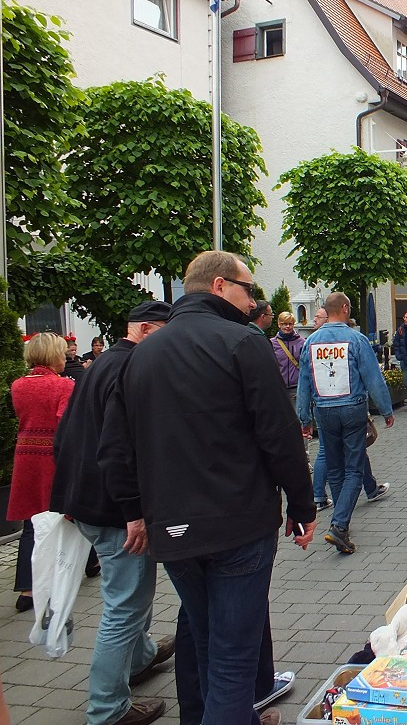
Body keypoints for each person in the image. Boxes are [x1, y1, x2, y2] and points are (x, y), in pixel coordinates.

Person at [98, 251, 316, 725]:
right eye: (248, 289)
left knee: (206, 637)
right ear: (219, 286)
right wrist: (301, 503)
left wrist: (136, 511)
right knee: (234, 658)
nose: (253, 299)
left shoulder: (139, 356)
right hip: (239, 525)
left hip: (172, 530)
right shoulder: (243, 342)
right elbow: (279, 435)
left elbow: (115, 449)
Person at [51, 302, 174, 725]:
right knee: (125, 605)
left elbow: (67, 431)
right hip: (113, 510)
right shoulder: (128, 369)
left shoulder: (101, 364)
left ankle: (140, 657)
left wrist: (66, 496)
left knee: (131, 597)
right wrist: (133, 512)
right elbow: (117, 450)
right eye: (164, 332)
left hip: (88, 500)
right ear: (143, 329)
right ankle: (107, 709)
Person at [297, 292, 394, 555]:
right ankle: (339, 525)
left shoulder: (311, 342)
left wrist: (304, 418)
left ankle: (340, 524)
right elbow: (373, 377)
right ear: (344, 308)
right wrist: (386, 409)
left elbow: (303, 382)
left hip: (324, 410)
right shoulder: (356, 339)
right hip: (352, 408)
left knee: (335, 467)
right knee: (354, 468)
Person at [8, 332, 74, 613]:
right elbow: (66, 427)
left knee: (31, 523)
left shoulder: (18, 385)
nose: (65, 356)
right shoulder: (63, 386)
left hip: (25, 457)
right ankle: (82, 566)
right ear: (51, 355)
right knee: (68, 516)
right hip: (53, 458)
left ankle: (27, 588)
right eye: (61, 352)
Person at [308, 307, 331, 511]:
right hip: (337, 404)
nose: (314, 319)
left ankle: (318, 495)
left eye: (317, 317)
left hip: (322, 404)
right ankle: (319, 495)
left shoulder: (310, 342)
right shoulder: (313, 341)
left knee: (326, 450)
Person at [271, 312, 304, 402]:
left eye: (290, 324)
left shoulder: (301, 342)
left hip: (297, 387)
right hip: (280, 387)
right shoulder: (273, 343)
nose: (287, 326)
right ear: (279, 325)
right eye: (284, 324)